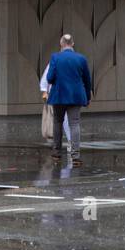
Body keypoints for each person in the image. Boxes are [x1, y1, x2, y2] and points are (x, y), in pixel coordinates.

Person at [45, 34, 91, 165]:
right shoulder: (81, 58)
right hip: (76, 96)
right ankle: (75, 155)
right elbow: (87, 80)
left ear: (61, 44)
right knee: (74, 124)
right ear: (73, 43)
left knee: (58, 122)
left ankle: (56, 153)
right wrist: (87, 98)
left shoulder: (55, 57)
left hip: (59, 95)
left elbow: (49, 78)